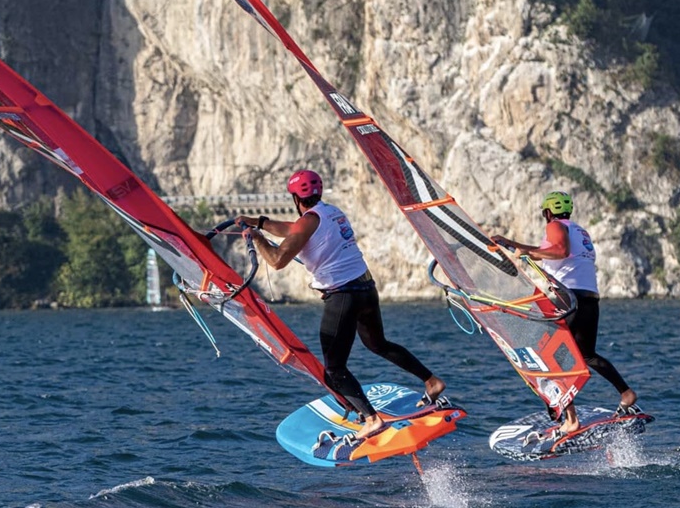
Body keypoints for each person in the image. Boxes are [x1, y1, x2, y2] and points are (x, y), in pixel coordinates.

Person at [237, 169, 446, 439]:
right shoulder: (331, 213)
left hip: (343, 295)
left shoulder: (309, 221)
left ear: (295, 197)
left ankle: (371, 419)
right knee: (377, 344)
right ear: (318, 192)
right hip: (366, 290)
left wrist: (256, 237)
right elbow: (293, 229)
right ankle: (432, 381)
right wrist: (259, 222)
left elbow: (277, 260)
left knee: (334, 368)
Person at [491, 191, 638, 434]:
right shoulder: (580, 231)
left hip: (567, 300)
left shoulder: (556, 226)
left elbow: (558, 251)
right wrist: (518, 247)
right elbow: (557, 255)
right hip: (589, 299)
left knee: (546, 357)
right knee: (587, 355)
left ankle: (570, 419)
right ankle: (627, 393)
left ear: (547, 213)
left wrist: (523, 249)